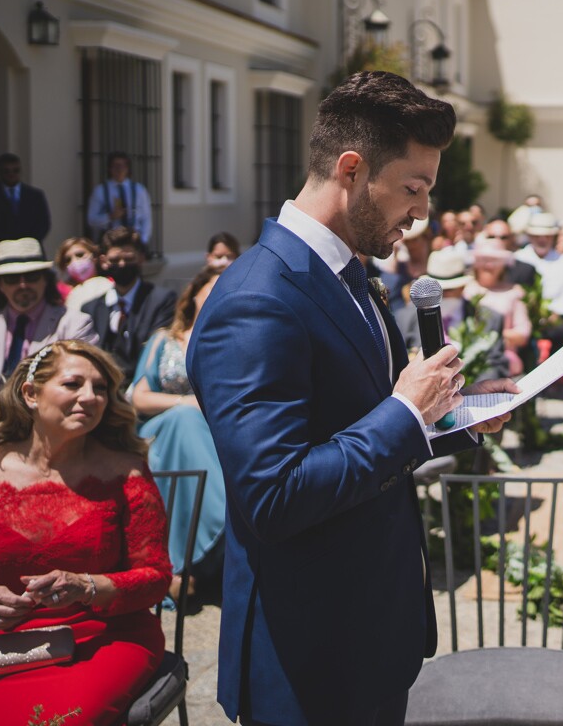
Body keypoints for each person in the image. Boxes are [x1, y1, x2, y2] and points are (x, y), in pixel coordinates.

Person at [185, 71, 518, 726]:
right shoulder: (257, 300)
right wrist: (404, 412)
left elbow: (371, 422)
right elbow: (274, 495)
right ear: (352, 169)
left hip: (372, 637)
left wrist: (460, 414)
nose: (421, 212)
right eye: (413, 188)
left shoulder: (352, 275)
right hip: (305, 658)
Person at [0, 340, 173, 725]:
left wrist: (88, 585)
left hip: (102, 636)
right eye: (73, 384)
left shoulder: (127, 472)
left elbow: (156, 577)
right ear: (30, 393)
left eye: (101, 388)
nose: (90, 397)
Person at [128, 267, 227, 578]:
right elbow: (139, 398)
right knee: (184, 419)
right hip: (162, 428)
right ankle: (227, 517)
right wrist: (186, 403)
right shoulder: (163, 340)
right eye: (213, 286)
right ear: (194, 293)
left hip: (212, 434)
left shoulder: (233, 341)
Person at [0, 239, 98, 394]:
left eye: (31, 276)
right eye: (12, 278)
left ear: (46, 279)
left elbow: (84, 379)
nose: (23, 285)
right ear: (0, 284)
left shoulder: (76, 324)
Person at [393, 250, 512, 384]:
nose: (442, 297)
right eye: (437, 292)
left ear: (462, 287)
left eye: (449, 290)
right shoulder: (404, 318)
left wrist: (469, 391)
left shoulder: (488, 318)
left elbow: (494, 364)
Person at [82, 230, 177, 377]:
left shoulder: (162, 301)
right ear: (103, 261)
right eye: (115, 260)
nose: (122, 264)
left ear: (141, 258)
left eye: (128, 259)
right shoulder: (91, 308)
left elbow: (156, 351)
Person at [465, 238, 532, 376]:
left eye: (495, 260)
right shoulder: (466, 289)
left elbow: (523, 334)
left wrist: (493, 334)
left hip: (503, 360)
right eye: (484, 259)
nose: (489, 265)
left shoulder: (514, 292)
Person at [514, 212, 563, 327]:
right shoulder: (518, 258)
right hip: (521, 319)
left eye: (547, 236)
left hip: (556, 319)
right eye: (537, 236)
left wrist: (555, 313)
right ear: (530, 236)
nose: (542, 240)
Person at [0, 152, 51, 257]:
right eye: (6, 171)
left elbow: (44, 224)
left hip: (31, 253)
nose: (11, 174)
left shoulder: (35, 195)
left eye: (15, 170)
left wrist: (26, 244)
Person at [86, 152, 152, 248]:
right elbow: (91, 220)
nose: (120, 169)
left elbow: (146, 218)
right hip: (110, 241)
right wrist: (110, 217)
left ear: (128, 168)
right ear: (110, 168)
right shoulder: (100, 191)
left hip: (133, 240)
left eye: (123, 166)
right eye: (116, 166)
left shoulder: (139, 190)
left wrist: (143, 241)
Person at [55, 236, 113, 312]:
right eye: (68, 260)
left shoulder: (111, 283)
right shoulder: (60, 292)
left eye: (80, 255)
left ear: (94, 257)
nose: (74, 261)